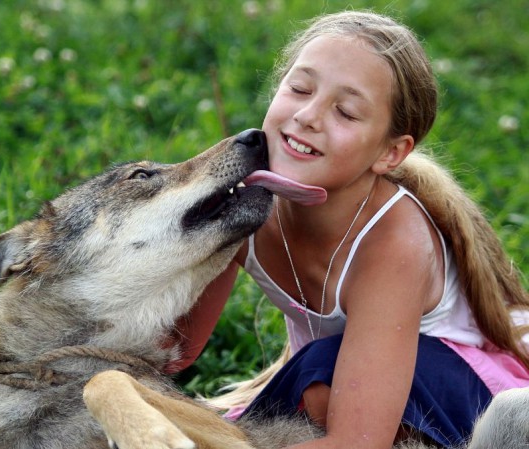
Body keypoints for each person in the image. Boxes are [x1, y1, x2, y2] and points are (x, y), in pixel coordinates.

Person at [166, 10, 529, 449]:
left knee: (321, 377)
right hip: (341, 383)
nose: (308, 115)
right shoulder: (248, 200)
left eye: (346, 112)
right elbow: (174, 351)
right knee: (314, 380)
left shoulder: (394, 242)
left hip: (468, 400)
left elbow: (357, 443)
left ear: (391, 153)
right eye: (299, 88)